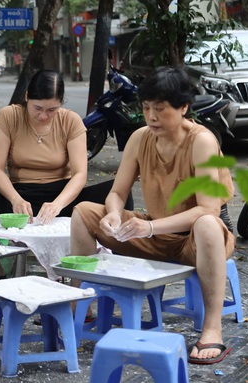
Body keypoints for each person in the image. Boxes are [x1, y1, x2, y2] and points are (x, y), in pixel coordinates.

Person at [70, 66, 235, 365]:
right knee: (83, 212)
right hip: (154, 235)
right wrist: (114, 214)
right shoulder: (139, 138)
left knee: (209, 224)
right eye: (146, 109)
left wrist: (149, 228)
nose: (152, 117)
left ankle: (213, 328)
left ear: (184, 107)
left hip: (194, 243)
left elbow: (208, 209)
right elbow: (117, 192)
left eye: (160, 109)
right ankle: (78, 306)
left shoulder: (202, 141)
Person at [0, 69, 132, 236]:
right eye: (37, 108)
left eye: (51, 110)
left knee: (119, 192)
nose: (43, 116)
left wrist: (57, 205)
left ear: (61, 103)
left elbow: (80, 174)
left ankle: (114, 258)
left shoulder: (71, 121)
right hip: (19, 197)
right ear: (27, 97)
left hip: (63, 198)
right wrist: (15, 199)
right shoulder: (8, 116)